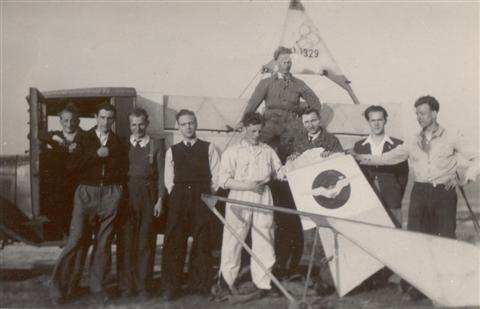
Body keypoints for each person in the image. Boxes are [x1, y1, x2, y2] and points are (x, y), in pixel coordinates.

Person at [354, 96, 478, 239]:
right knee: (417, 239)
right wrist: (360, 157)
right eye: (417, 114)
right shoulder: (412, 140)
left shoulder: (452, 136)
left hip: (444, 193)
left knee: (445, 239)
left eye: (423, 113)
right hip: (419, 193)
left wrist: (466, 179)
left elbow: (477, 156)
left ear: (434, 113)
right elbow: (388, 157)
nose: (419, 117)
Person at [50, 102, 126, 305]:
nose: (106, 122)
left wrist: (117, 191)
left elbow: (122, 169)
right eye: (102, 117)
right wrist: (95, 155)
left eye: (110, 118)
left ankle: (97, 286)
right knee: (75, 241)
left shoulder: (118, 142)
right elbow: (71, 166)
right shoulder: (83, 138)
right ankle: (58, 288)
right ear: (96, 117)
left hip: (110, 194)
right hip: (86, 193)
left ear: (113, 120)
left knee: (104, 243)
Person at [216, 112, 285, 298]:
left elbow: (279, 172)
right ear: (244, 128)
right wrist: (248, 186)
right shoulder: (232, 152)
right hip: (240, 196)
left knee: (265, 236)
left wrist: (293, 165)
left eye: (259, 131)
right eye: (253, 131)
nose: (257, 135)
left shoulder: (268, 150)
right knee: (234, 237)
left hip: (263, 195)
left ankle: (264, 282)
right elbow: (224, 180)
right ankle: (226, 280)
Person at [162, 109, 220, 300]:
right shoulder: (172, 150)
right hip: (179, 197)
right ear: (178, 127)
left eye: (191, 123)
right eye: (184, 124)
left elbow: (216, 177)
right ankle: (172, 286)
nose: (188, 127)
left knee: (202, 240)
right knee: (174, 241)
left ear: (196, 124)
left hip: (202, 196)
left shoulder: (209, 147)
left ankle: (200, 284)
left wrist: (206, 195)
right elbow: (169, 180)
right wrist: (178, 196)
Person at [289, 107, 342, 295]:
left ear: (319, 120)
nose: (310, 125)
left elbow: (341, 167)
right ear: (302, 124)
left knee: (326, 238)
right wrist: (293, 158)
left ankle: (329, 280)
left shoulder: (331, 140)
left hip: (327, 198)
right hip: (308, 198)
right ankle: (312, 279)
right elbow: (294, 167)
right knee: (310, 238)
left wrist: (333, 157)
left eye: (313, 121)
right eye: (306, 122)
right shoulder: (300, 141)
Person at [116, 108, 165, 299]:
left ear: (147, 123)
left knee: (146, 241)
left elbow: (162, 175)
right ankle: (126, 286)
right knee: (126, 241)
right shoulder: (122, 144)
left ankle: (144, 285)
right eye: (134, 125)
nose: (137, 128)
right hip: (127, 195)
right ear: (129, 125)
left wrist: (160, 199)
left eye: (141, 124)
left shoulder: (156, 144)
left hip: (148, 195)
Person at [242, 46, 321, 162]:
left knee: (292, 152)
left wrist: (305, 117)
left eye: (289, 61)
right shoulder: (266, 83)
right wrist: (243, 121)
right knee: (253, 145)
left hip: (291, 124)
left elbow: (315, 102)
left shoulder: (298, 84)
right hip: (269, 123)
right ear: (276, 62)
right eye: (284, 61)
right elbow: (254, 102)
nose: (287, 64)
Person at [353, 105, 408, 227]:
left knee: (395, 234)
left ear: (385, 120)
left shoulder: (397, 144)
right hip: (368, 199)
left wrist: (396, 190)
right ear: (368, 122)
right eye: (373, 120)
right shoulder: (359, 146)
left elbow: (403, 175)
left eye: (380, 120)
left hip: (392, 197)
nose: (376, 124)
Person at [39, 103, 84, 236]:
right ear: (60, 121)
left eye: (73, 120)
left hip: (79, 183)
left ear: (78, 121)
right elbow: (33, 134)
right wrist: (56, 138)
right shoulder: (57, 136)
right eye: (65, 120)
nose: (69, 124)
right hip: (60, 185)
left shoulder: (85, 137)